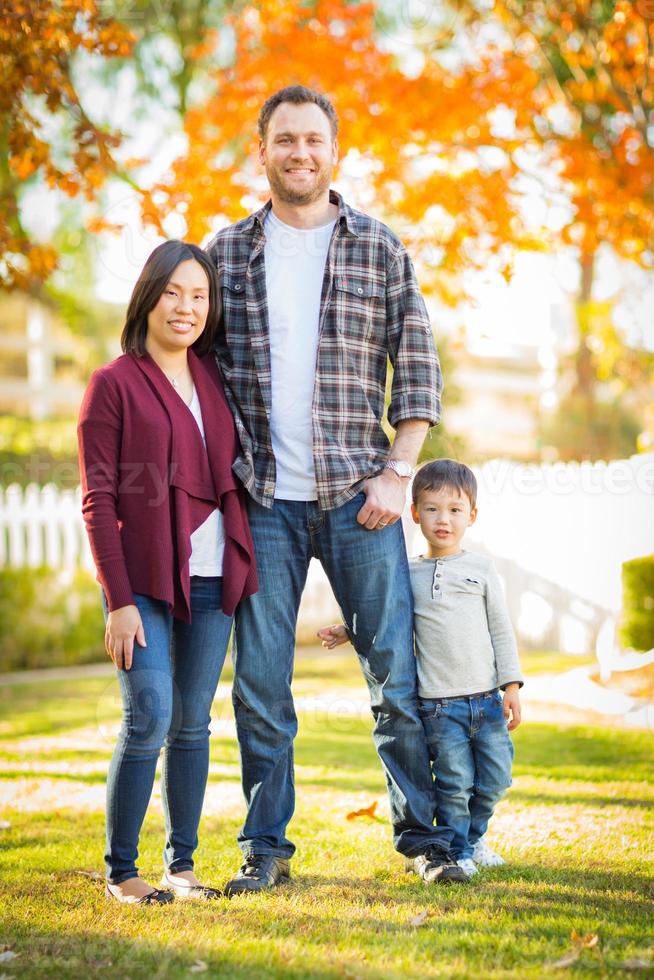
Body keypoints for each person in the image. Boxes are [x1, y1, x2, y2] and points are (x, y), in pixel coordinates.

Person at [206, 84, 467, 895]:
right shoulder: (223, 256)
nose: (299, 153)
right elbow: (198, 373)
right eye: (284, 140)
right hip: (262, 499)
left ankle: (426, 842)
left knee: (394, 674)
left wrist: (399, 472)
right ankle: (266, 852)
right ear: (262, 152)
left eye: (313, 140)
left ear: (334, 151)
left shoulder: (380, 248)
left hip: (362, 497)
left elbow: (418, 368)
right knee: (260, 682)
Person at [77, 241, 257, 904]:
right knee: (148, 713)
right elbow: (98, 498)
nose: (186, 307)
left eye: (199, 295)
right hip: (143, 582)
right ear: (148, 297)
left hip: (212, 580)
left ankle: (182, 868)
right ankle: (122, 872)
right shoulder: (114, 383)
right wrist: (117, 600)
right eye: (174, 292)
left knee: (191, 722)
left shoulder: (213, 378)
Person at [320, 458, 524, 877]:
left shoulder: (482, 569)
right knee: (454, 784)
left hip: (485, 702)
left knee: (497, 779)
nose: (442, 519)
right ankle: (458, 851)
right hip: (438, 706)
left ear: (472, 515)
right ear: (414, 512)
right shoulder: (406, 573)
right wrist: (347, 630)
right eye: (431, 509)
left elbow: (501, 632)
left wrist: (512, 686)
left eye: (454, 510)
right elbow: (386, 616)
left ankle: (473, 836)